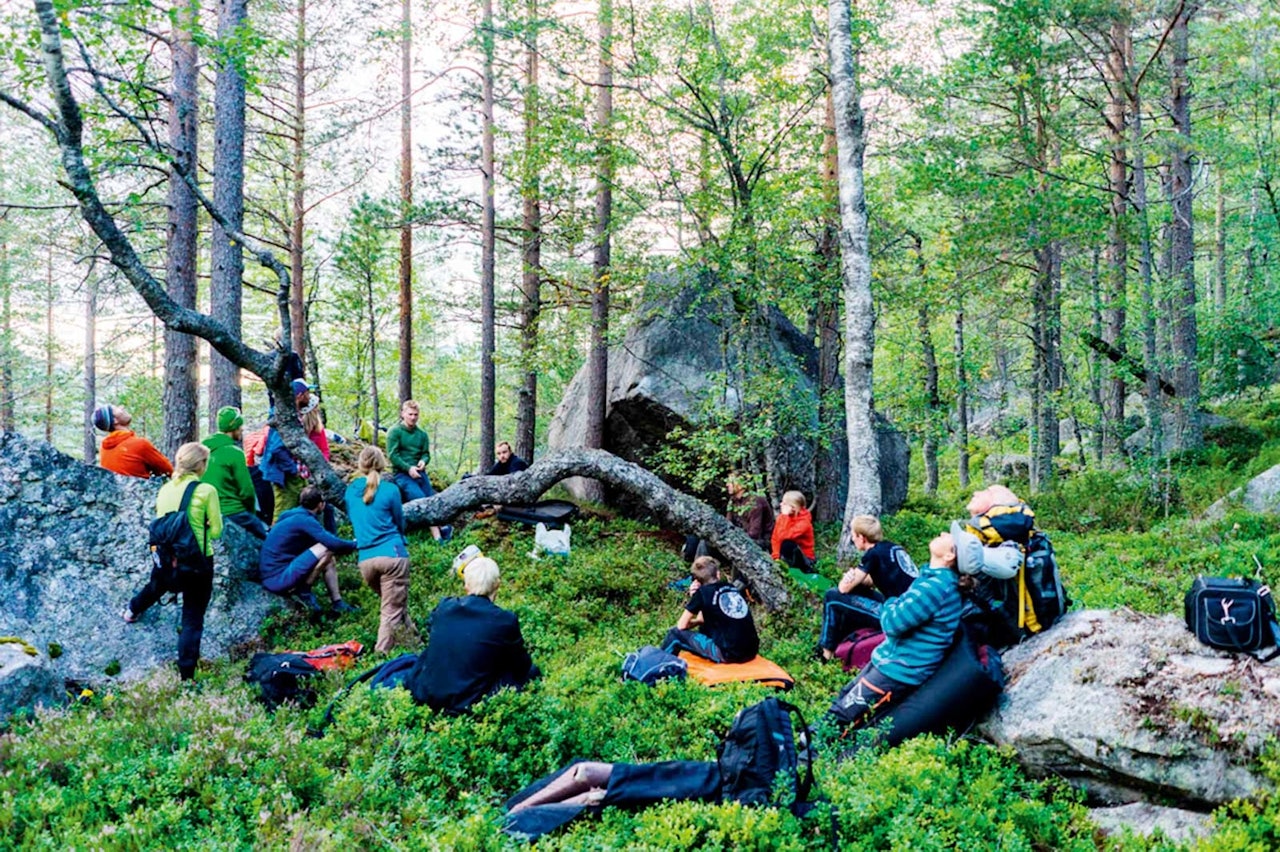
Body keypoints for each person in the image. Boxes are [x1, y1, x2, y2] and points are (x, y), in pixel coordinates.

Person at [825, 532, 962, 733]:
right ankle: (805, 741)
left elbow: (891, 624)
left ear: (949, 556)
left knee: (844, 714)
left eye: (950, 536)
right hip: (888, 659)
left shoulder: (936, 588)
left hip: (898, 670)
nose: (944, 533)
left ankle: (804, 758)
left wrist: (890, 601)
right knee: (844, 699)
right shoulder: (931, 579)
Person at [121, 442, 221, 680]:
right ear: (201, 465)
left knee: (157, 585)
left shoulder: (165, 490)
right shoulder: (206, 491)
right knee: (192, 618)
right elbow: (216, 530)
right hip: (198, 563)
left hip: (168, 558)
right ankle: (186, 675)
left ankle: (132, 610)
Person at [410, 556, 540, 714]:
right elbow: (522, 667)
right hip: (468, 703)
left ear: (466, 585)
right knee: (531, 671)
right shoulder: (504, 620)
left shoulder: (444, 607)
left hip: (427, 694)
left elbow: (433, 629)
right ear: (498, 584)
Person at [345, 446, 419, 653]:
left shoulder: (351, 491)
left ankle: (415, 643)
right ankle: (381, 655)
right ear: (382, 463)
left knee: (394, 604)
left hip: (366, 560)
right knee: (391, 610)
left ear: (361, 465)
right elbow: (399, 521)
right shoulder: (391, 490)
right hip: (392, 556)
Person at [817, 515, 919, 661]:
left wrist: (848, 578)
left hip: (898, 615)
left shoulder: (872, 554)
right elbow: (872, 580)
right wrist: (856, 579)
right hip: (910, 607)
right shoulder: (890, 546)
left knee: (832, 597)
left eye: (853, 535)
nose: (852, 539)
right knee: (856, 590)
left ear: (862, 537)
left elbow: (843, 589)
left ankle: (826, 653)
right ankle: (841, 641)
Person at [258, 485, 359, 613]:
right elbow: (333, 544)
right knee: (326, 548)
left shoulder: (290, 515)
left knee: (329, 559)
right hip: (278, 578)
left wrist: (329, 512)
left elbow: (331, 539)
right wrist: (356, 544)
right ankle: (304, 590)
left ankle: (337, 602)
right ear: (320, 504)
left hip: (273, 574)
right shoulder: (304, 521)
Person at [661, 556, 759, 664]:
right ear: (717, 574)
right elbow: (703, 619)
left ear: (697, 581)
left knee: (674, 634)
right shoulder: (731, 588)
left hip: (728, 654)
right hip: (751, 651)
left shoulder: (702, 593)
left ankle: (659, 666)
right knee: (707, 628)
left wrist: (695, 597)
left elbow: (681, 626)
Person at [202, 406, 268, 539]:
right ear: (235, 428)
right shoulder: (234, 453)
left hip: (207, 511)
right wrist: (251, 513)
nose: (242, 429)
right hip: (232, 511)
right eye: (240, 426)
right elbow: (246, 491)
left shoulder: (202, 449)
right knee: (266, 537)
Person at [681, 471, 774, 563]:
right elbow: (727, 524)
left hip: (758, 542)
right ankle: (698, 571)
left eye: (731, 482)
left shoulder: (755, 502)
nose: (727, 484)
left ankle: (700, 572)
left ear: (741, 485)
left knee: (706, 543)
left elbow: (754, 534)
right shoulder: (733, 501)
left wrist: (732, 539)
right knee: (706, 539)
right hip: (739, 538)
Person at [386, 400, 444, 541]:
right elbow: (393, 455)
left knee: (432, 500)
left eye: (415, 414)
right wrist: (408, 468)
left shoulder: (422, 435)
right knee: (421, 499)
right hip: (402, 474)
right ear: (403, 414)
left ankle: (441, 529)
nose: (413, 417)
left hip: (420, 472)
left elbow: (426, 453)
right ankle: (437, 536)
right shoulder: (395, 432)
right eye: (410, 414)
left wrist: (423, 461)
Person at [258, 379, 312, 523]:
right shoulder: (284, 416)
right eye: (308, 393)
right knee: (284, 512)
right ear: (300, 395)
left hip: (291, 473)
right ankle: (277, 543)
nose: (310, 396)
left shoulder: (292, 414)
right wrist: (293, 470)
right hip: (285, 475)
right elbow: (277, 449)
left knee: (295, 510)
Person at [93, 404, 173, 479]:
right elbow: (169, 471)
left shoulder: (104, 449)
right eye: (117, 409)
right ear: (114, 420)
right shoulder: (139, 444)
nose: (122, 407)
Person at [771, 490, 816, 571]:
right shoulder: (781, 518)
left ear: (793, 507)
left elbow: (784, 537)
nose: (781, 504)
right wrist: (776, 558)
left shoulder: (804, 522)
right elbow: (775, 539)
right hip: (784, 556)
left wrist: (784, 517)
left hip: (805, 560)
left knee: (787, 544)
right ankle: (782, 565)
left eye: (784, 503)